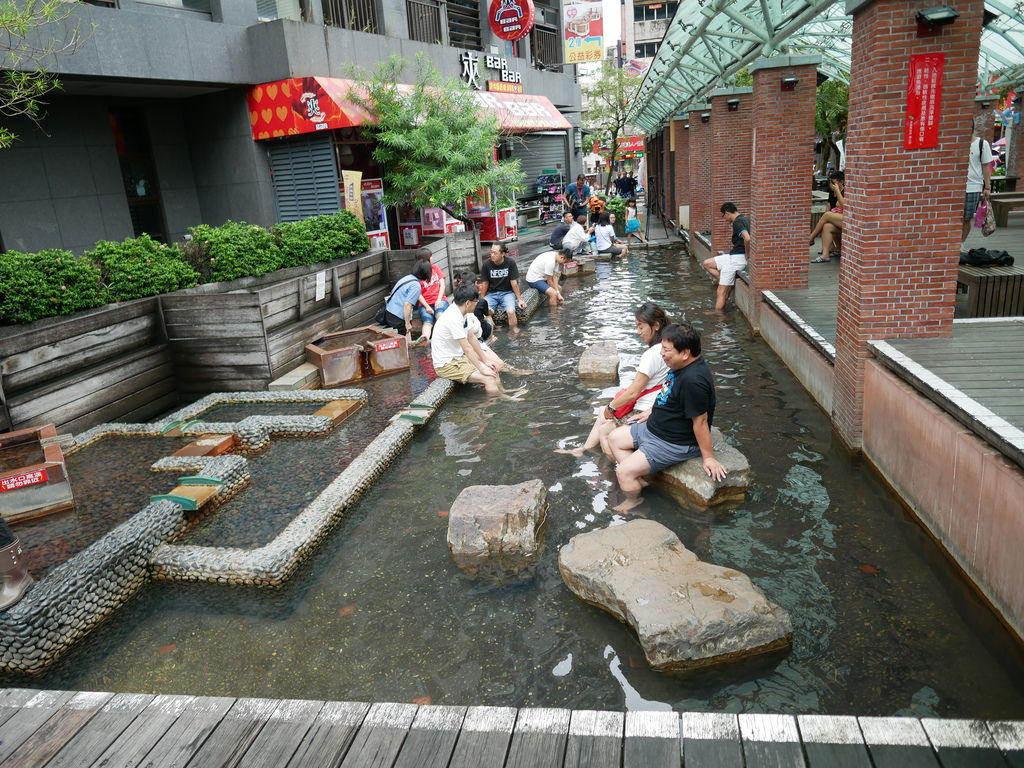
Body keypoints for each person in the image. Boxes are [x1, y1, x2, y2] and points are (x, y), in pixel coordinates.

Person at [605, 322, 727, 513]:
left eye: (666, 349)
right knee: (613, 438)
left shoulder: (693, 381)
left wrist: (709, 457)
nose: (661, 353)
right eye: (662, 347)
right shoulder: (680, 366)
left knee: (623, 472)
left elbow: (701, 422)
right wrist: (653, 411)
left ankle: (634, 501)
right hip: (656, 427)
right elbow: (669, 394)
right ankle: (642, 480)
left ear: (685, 353)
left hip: (673, 441)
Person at [555, 302, 671, 459]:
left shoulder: (651, 355)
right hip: (656, 404)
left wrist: (611, 407)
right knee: (604, 414)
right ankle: (584, 450)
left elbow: (633, 392)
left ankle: (615, 469)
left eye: (641, 327)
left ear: (656, 325)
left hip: (645, 409)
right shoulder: (668, 347)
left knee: (605, 428)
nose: (638, 332)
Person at [430, 284, 502, 393]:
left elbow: (471, 337)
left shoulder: (462, 313)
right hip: (446, 364)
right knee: (489, 377)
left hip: (458, 357)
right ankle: (496, 403)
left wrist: (485, 360)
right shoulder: (453, 317)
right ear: (468, 303)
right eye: (476, 302)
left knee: (492, 369)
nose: (477, 304)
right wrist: (481, 368)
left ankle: (503, 393)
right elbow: (467, 348)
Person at [701, 202, 749, 312]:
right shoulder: (746, 219)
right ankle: (726, 282)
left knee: (721, 291)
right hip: (733, 256)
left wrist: (748, 253)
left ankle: (718, 317)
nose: (725, 219)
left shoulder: (737, 222)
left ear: (727, 213)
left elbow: (747, 238)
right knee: (707, 263)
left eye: (724, 216)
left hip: (737, 259)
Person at [479, 242, 526, 330]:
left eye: (495, 253)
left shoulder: (510, 263)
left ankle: (515, 332)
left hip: (507, 293)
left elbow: (514, 283)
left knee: (511, 312)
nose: (492, 255)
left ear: (503, 254)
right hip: (491, 294)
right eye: (491, 252)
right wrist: (481, 300)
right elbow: (484, 284)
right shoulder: (486, 265)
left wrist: (519, 300)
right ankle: (492, 333)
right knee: (484, 311)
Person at [383, 260, 432, 342]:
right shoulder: (416, 285)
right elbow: (407, 304)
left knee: (405, 338)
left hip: (389, 312)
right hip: (398, 317)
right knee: (402, 343)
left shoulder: (407, 278)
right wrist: (407, 323)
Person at [963, 116, 994, 243]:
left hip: (973, 187)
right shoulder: (955, 144)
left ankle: (960, 244)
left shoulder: (982, 144)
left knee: (966, 218)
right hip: (954, 187)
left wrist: (987, 187)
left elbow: (986, 166)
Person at [809, 172, 845, 263]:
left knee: (827, 215)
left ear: (841, 182)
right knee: (827, 226)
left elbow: (844, 206)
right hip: (839, 219)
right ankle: (825, 255)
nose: (832, 185)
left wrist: (837, 191)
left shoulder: (846, 190)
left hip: (849, 219)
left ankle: (811, 237)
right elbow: (829, 205)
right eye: (831, 183)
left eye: (834, 183)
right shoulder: (832, 192)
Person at [414, 248, 448, 341]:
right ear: (426, 259)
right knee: (427, 322)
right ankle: (424, 339)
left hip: (440, 300)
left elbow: (442, 285)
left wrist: (439, 299)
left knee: (439, 315)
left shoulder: (435, 268)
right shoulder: (417, 276)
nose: (432, 258)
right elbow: (418, 294)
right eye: (431, 256)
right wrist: (427, 306)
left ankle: (443, 339)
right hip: (425, 304)